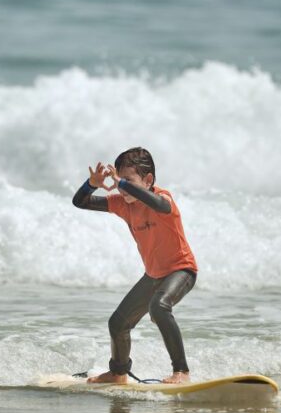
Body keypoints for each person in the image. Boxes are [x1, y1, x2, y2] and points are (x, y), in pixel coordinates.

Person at [72, 147, 197, 384]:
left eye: (127, 181)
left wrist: (125, 186)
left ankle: (181, 372)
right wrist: (92, 183)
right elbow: (81, 202)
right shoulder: (123, 204)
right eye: (117, 180)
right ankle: (118, 373)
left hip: (182, 270)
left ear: (148, 180)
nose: (120, 187)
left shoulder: (164, 200)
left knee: (159, 307)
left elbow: (157, 204)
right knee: (118, 323)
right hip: (153, 275)